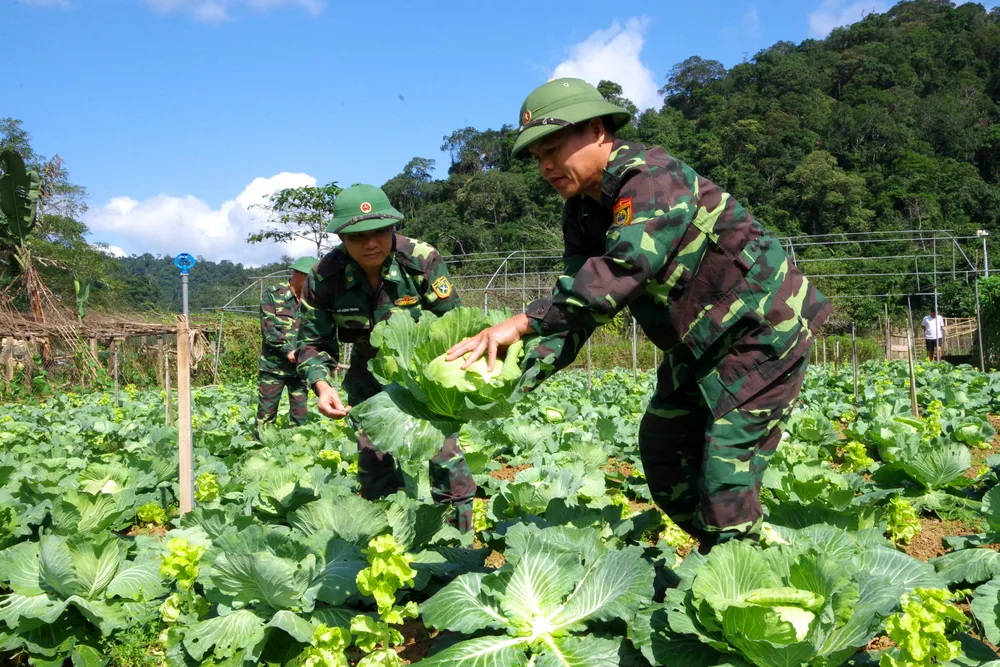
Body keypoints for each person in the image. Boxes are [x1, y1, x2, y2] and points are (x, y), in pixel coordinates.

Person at [446, 78, 831, 551]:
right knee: (665, 452)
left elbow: (625, 267)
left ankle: (750, 571)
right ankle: (725, 551)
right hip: (700, 343)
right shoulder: (582, 212)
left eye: (553, 149)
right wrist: (506, 382)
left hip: (764, 329)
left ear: (598, 130)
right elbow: (576, 309)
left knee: (724, 470)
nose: (545, 166)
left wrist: (521, 322)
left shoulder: (648, 177)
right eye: (536, 158)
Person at [295, 183, 476, 531]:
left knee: (444, 453)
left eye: (380, 231)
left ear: (393, 227)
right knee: (372, 456)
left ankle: (459, 538)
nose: (371, 242)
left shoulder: (421, 259)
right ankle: (387, 535)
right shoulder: (324, 276)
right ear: (342, 239)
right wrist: (321, 385)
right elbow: (312, 341)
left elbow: (456, 325)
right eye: (358, 236)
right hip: (369, 372)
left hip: (426, 372)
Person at [255, 256, 317, 438]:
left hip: (300, 370)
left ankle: (296, 452)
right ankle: (260, 451)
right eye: (308, 277)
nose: (311, 282)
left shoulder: (312, 300)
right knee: (266, 416)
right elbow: (269, 329)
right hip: (273, 369)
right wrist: (288, 351)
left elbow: (317, 331)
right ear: (296, 274)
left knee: (300, 418)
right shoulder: (273, 294)